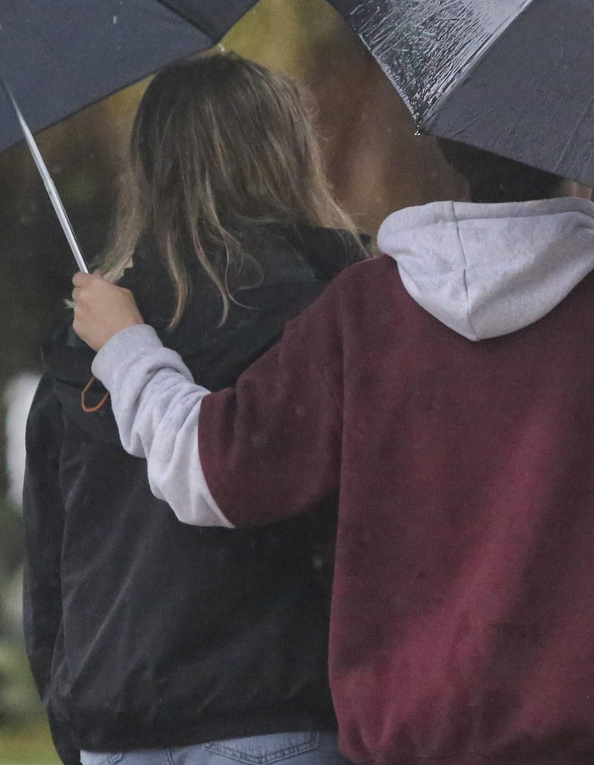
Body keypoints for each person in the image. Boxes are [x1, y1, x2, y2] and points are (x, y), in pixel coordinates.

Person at [71, 139, 594, 765]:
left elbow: (215, 472)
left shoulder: (365, 307)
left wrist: (128, 348)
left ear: (451, 146)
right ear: (583, 151)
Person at [23, 51, 366, 765]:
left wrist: (79, 717)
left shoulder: (86, 343)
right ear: (290, 157)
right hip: (284, 710)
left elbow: (53, 569)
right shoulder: (340, 311)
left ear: (147, 171)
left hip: (120, 723)